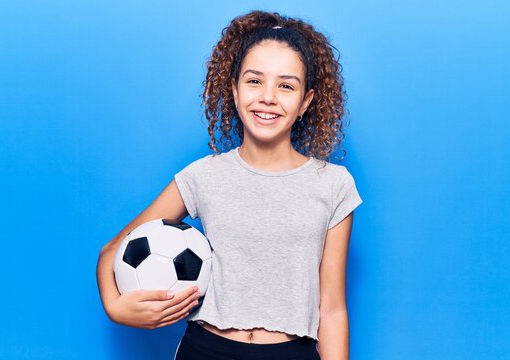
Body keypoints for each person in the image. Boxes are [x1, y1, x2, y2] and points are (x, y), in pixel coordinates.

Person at [96, 10, 363, 360]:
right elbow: (112, 251)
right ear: (235, 91)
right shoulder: (202, 176)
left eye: (286, 85)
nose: (268, 97)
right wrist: (116, 308)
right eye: (254, 81)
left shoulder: (333, 185)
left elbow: (332, 310)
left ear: (305, 102)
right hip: (205, 349)